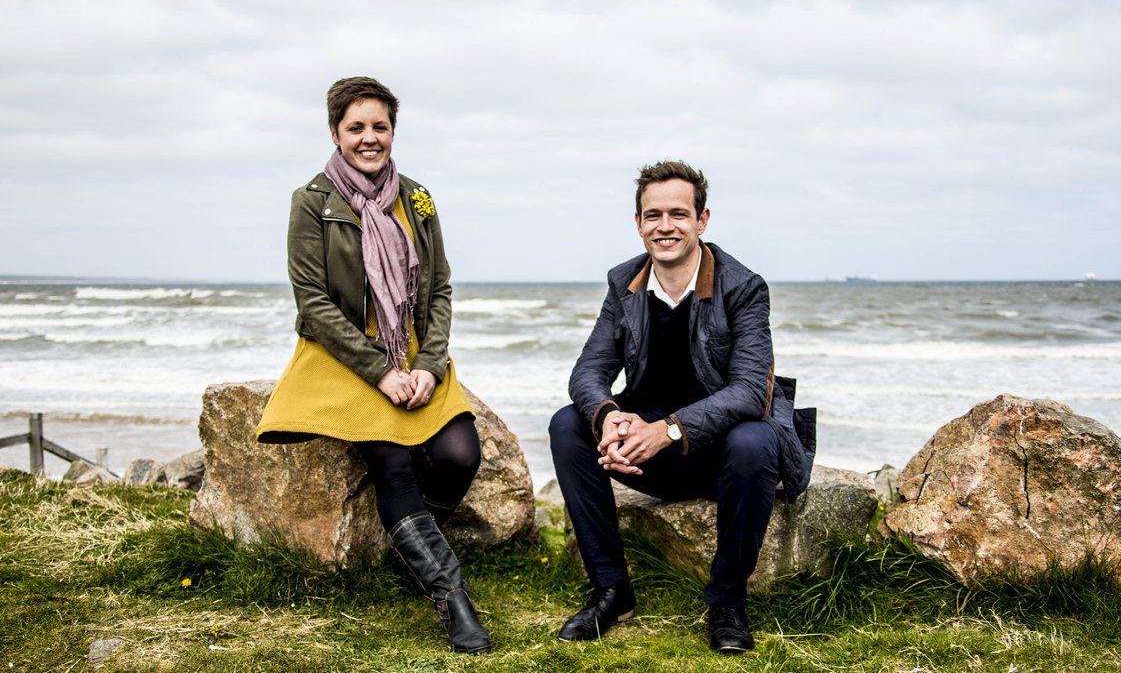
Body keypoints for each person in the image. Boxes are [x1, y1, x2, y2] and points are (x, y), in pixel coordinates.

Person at [256, 76, 491, 654]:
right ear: (334, 132)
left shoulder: (418, 198)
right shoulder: (311, 201)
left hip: (410, 348)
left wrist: (429, 365)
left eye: (379, 127)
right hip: (342, 355)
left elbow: (438, 290)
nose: (369, 138)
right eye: (356, 127)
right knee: (394, 461)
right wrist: (381, 372)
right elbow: (312, 303)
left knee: (460, 454)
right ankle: (451, 597)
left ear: (393, 132)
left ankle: (411, 548)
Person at [549, 160, 814, 654]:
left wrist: (666, 430)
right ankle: (611, 591)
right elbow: (587, 372)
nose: (665, 226)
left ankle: (727, 603)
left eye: (678, 214)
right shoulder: (624, 284)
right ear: (638, 223)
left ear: (702, 220)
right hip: (649, 458)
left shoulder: (743, 287)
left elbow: (750, 391)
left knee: (755, 439)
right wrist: (610, 419)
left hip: (723, 460)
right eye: (653, 215)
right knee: (568, 424)